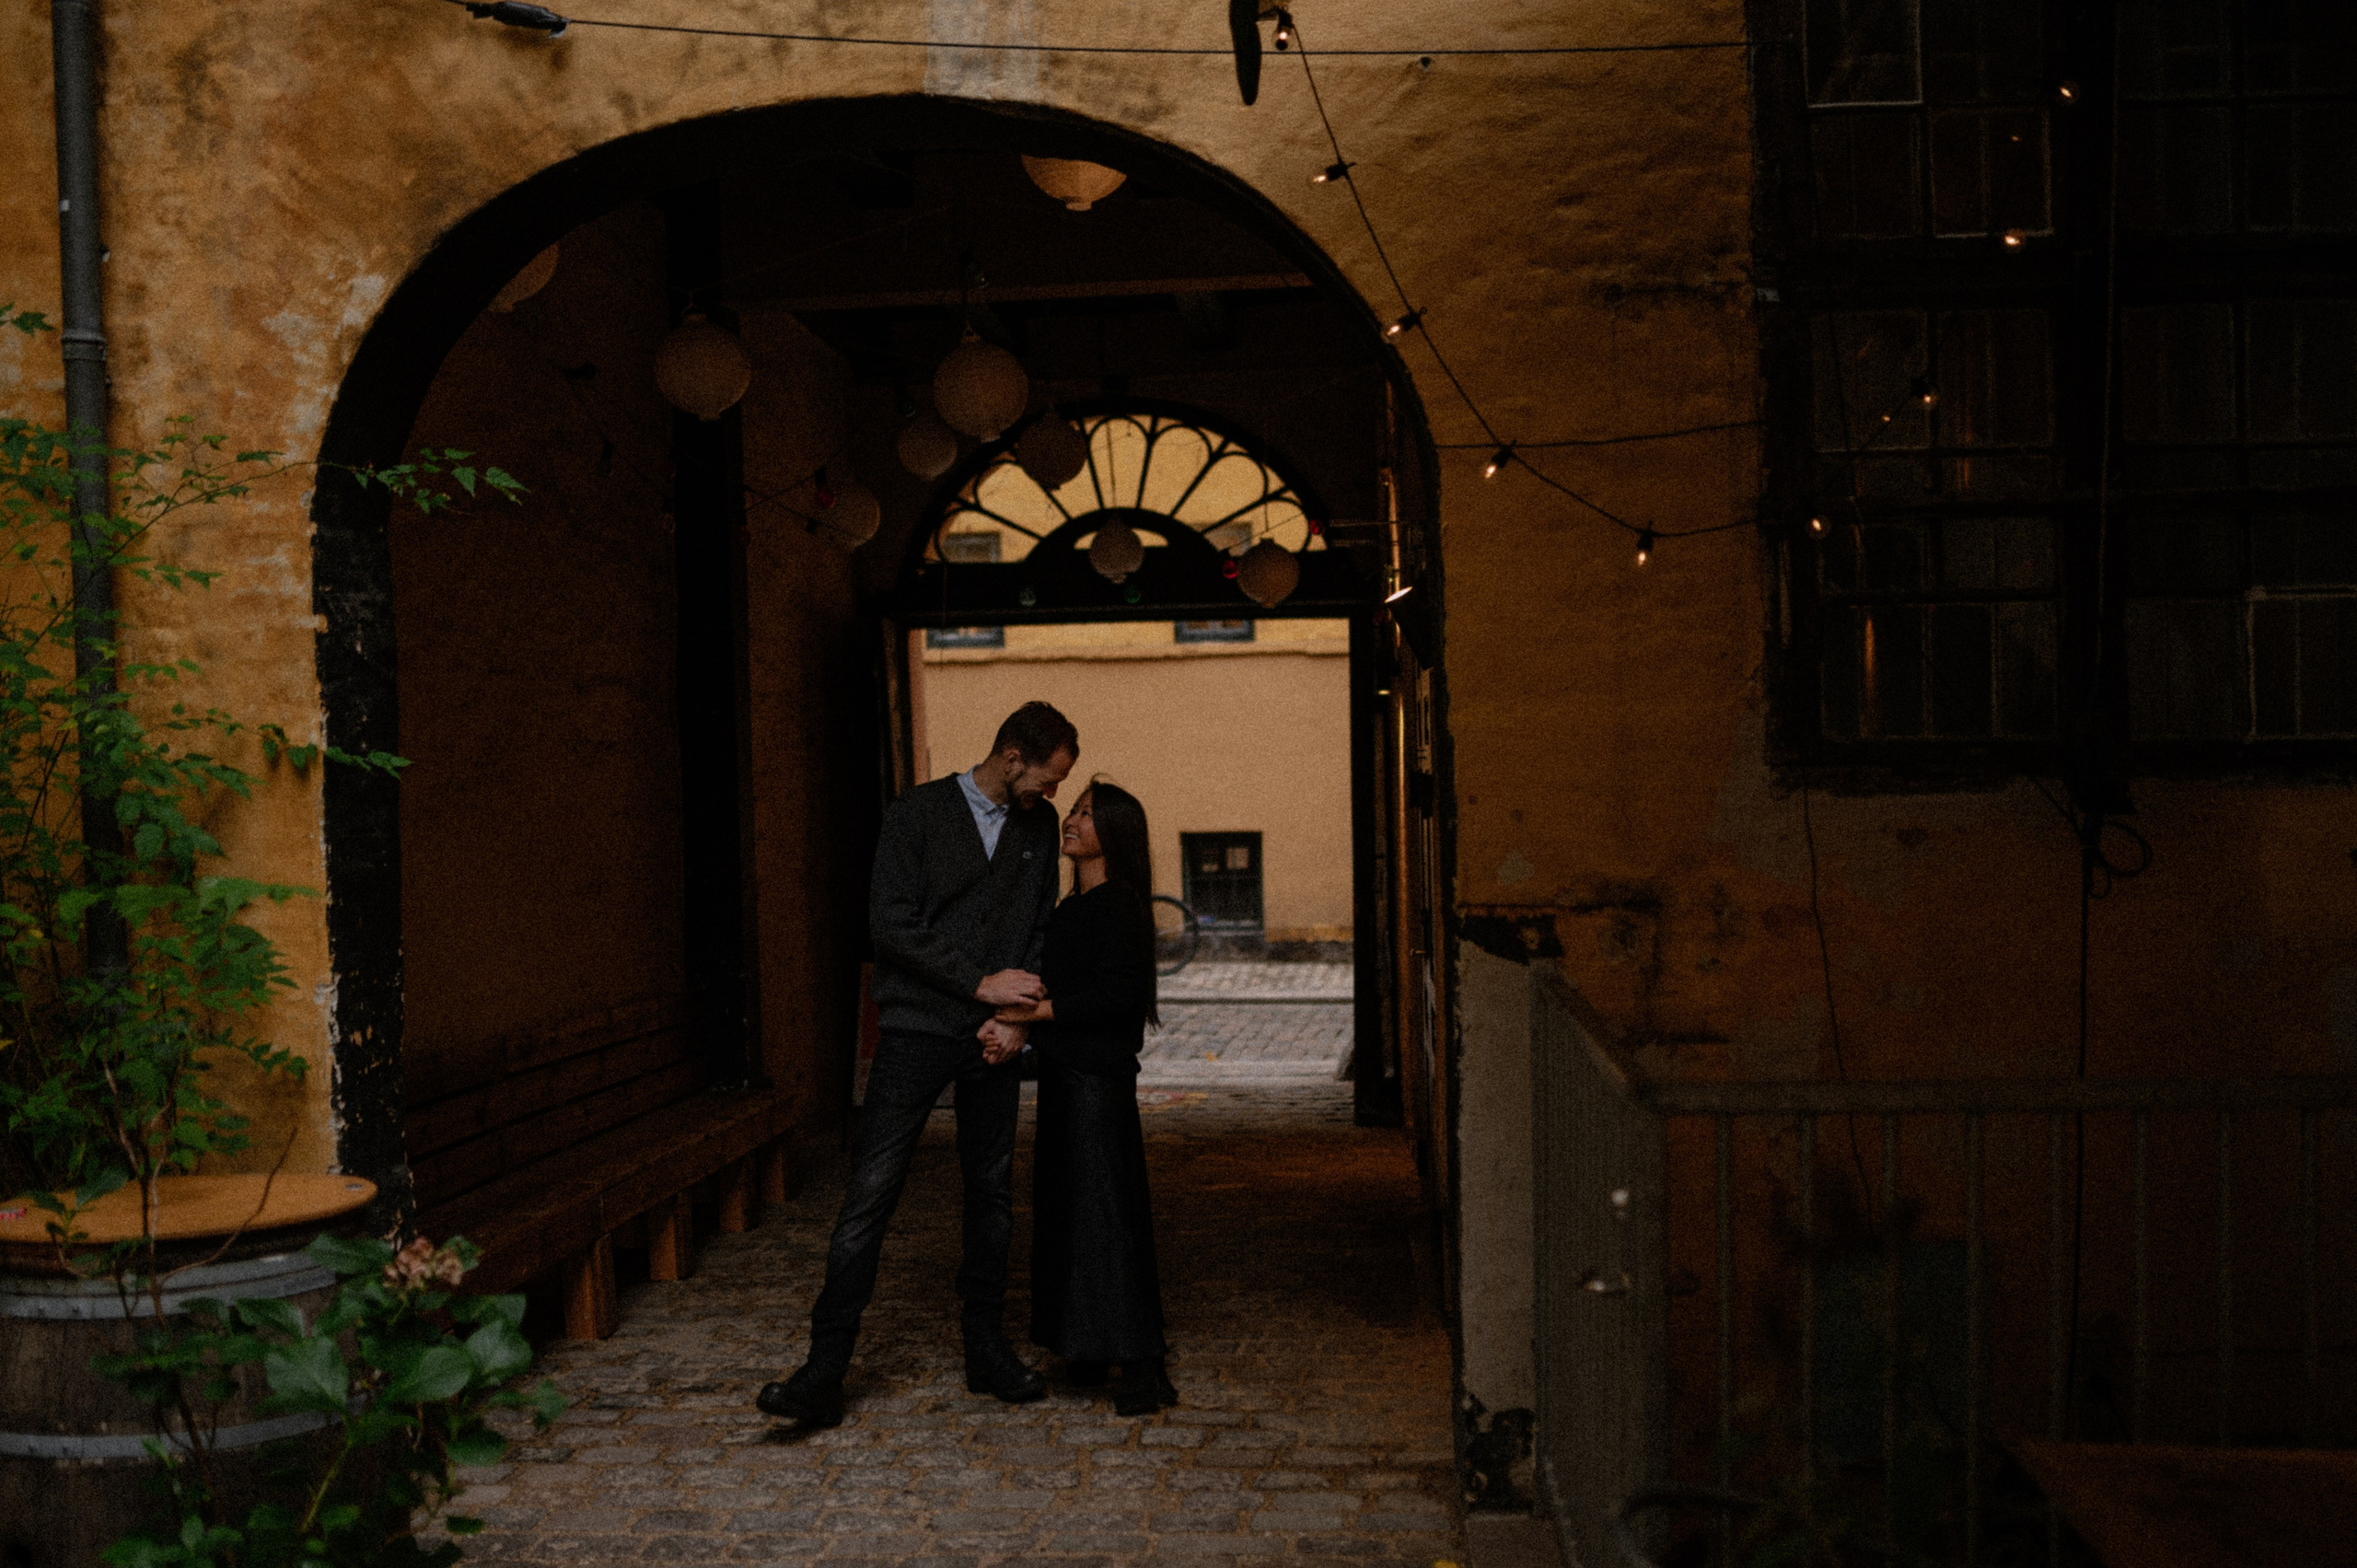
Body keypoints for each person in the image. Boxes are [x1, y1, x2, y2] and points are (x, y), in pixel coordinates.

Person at [756, 701, 1078, 1428]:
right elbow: (892, 923)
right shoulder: (917, 814)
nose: (1054, 794)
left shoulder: (1036, 830)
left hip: (993, 1038)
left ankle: (985, 1351)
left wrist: (1016, 1018)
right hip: (914, 1032)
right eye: (1050, 778)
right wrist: (977, 984)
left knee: (991, 1197)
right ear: (1011, 758)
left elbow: (1037, 927)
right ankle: (824, 1370)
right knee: (870, 1193)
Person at [984, 780, 1177, 1416]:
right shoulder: (1073, 906)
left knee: (1107, 1219)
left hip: (1097, 1083)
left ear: (1113, 832)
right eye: (1074, 808)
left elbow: (1116, 996)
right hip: (1069, 1080)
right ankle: (1091, 1341)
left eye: (1086, 813)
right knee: (1074, 1214)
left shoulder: (1118, 903)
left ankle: (1141, 1360)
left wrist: (1035, 1013)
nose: (1070, 819)